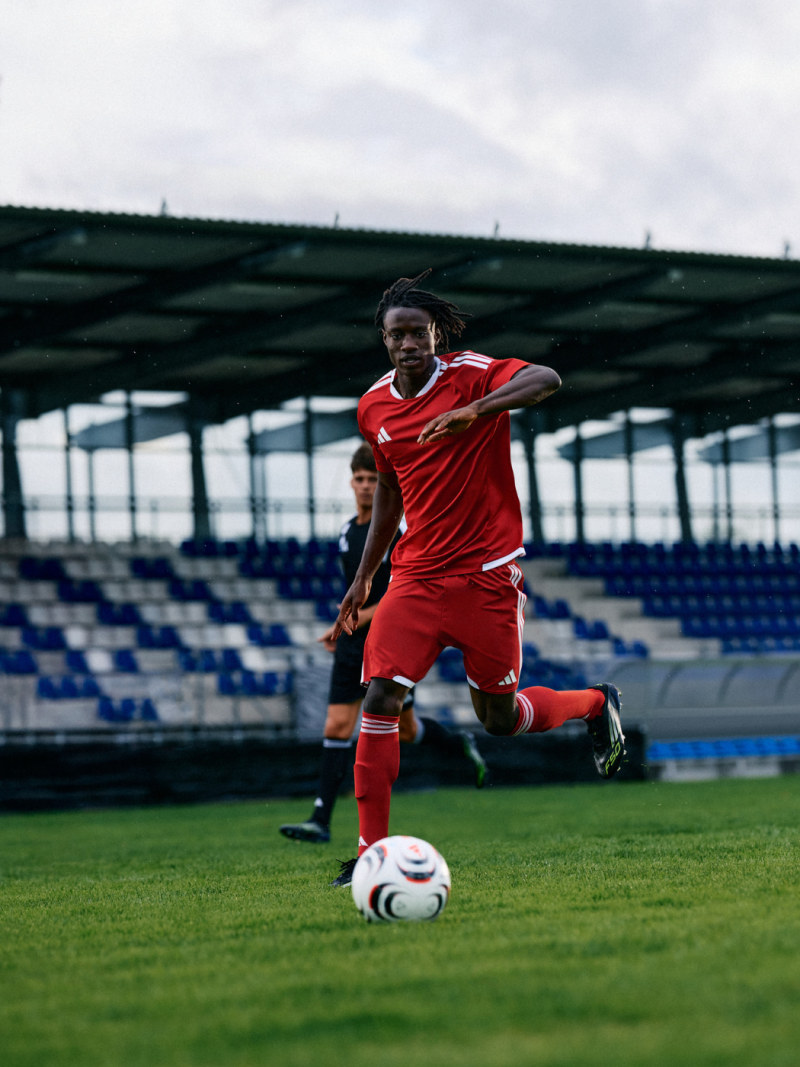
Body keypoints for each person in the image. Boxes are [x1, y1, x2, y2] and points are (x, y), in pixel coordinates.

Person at [329, 270, 625, 887]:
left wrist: (478, 410)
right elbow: (389, 488)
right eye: (398, 335)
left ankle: (596, 703)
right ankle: (369, 855)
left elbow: (546, 379)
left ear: (435, 335)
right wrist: (365, 577)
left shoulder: (471, 373)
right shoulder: (373, 408)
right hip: (413, 579)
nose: (410, 344)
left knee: (499, 717)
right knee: (381, 697)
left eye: (419, 333)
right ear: (384, 341)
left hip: (486, 575)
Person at [279, 442, 487, 845]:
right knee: (337, 725)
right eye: (359, 479)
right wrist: (341, 623)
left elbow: (398, 594)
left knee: (406, 731)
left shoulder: (400, 532)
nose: (365, 487)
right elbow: (356, 592)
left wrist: (347, 618)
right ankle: (320, 819)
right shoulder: (345, 532)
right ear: (351, 481)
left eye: (373, 480)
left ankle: (459, 742)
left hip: (391, 639)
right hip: (353, 641)